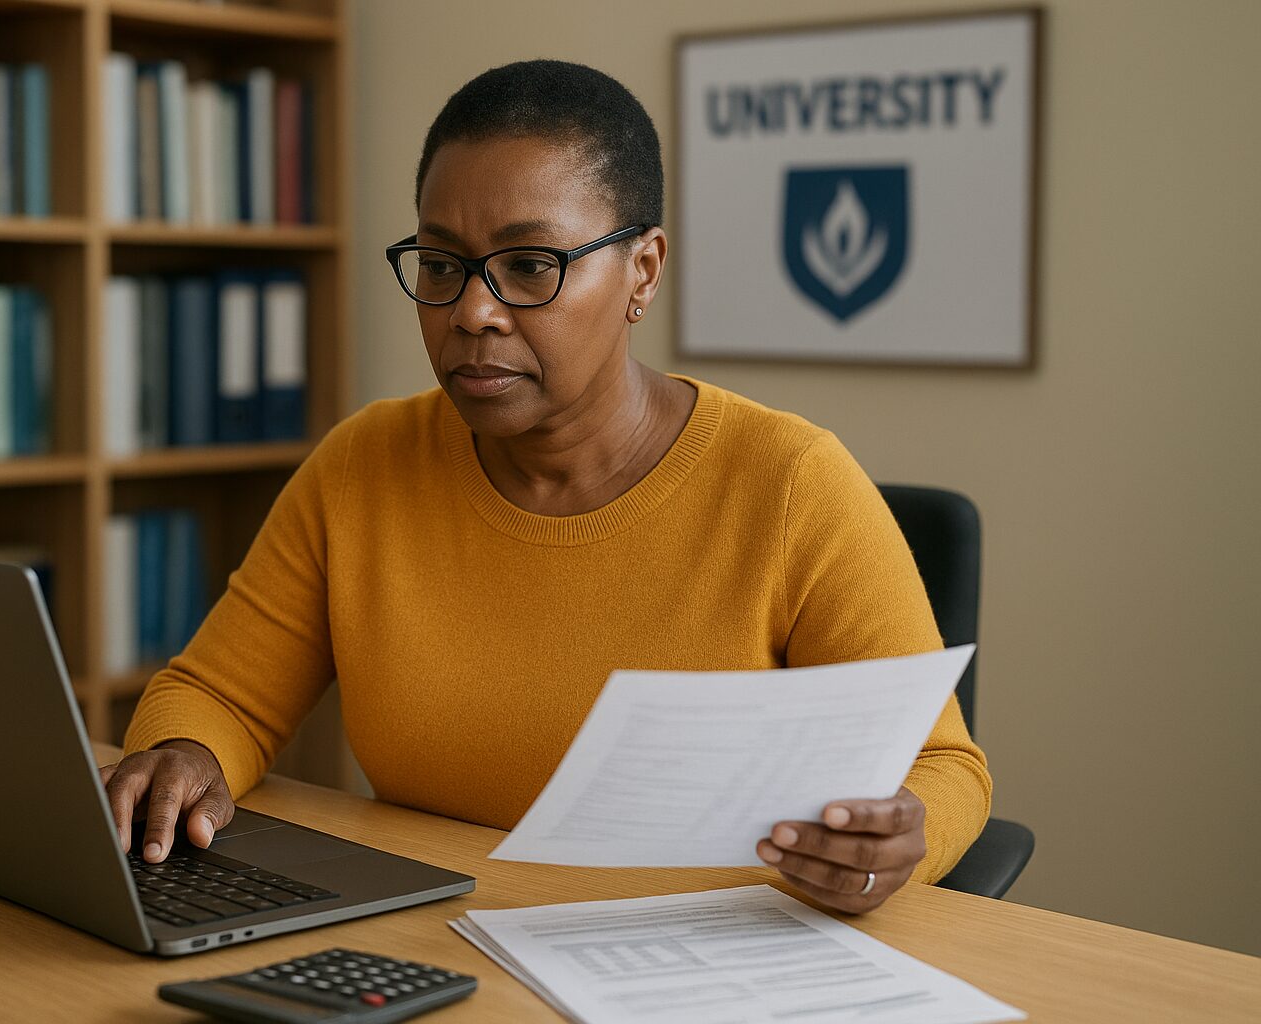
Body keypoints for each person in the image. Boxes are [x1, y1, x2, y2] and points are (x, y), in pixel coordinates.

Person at [105, 60, 990, 914]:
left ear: (642, 270)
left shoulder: (791, 484)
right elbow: (220, 695)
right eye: (441, 265)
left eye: (530, 265)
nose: (471, 312)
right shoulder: (364, 465)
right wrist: (183, 753)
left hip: (695, 961)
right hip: (436, 937)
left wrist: (887, 848)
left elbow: (944, 769)